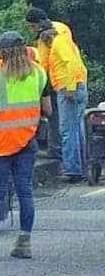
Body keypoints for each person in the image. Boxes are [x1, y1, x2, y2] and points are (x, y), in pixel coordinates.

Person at [0, 31, 51, 259]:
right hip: (27, 140)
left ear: (3, 53)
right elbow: (47, 109)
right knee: (25, 191)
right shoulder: (39, 74)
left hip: (0, 142)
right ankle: (24, 242)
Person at [35, 21, 88, 181]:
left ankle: (72, 170)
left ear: (46, 35)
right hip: (75, 86)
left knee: (67, 131)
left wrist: (70, 88)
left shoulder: (58, 43)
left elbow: (70, 63)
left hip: (68, 89)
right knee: (76, 129)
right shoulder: (65, 41)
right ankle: (80, 167)